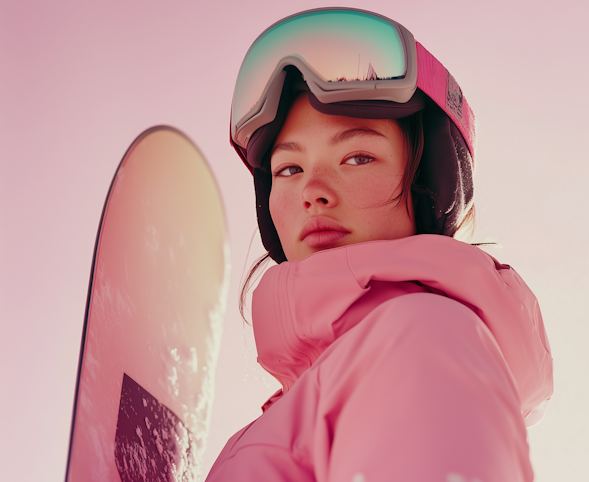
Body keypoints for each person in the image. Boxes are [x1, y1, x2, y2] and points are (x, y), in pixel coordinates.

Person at [206, 8, 553, 482]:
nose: (313, 190)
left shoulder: (423, 337)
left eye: (357, 156)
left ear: (428, 187)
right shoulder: (306, 403)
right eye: (289, 169)